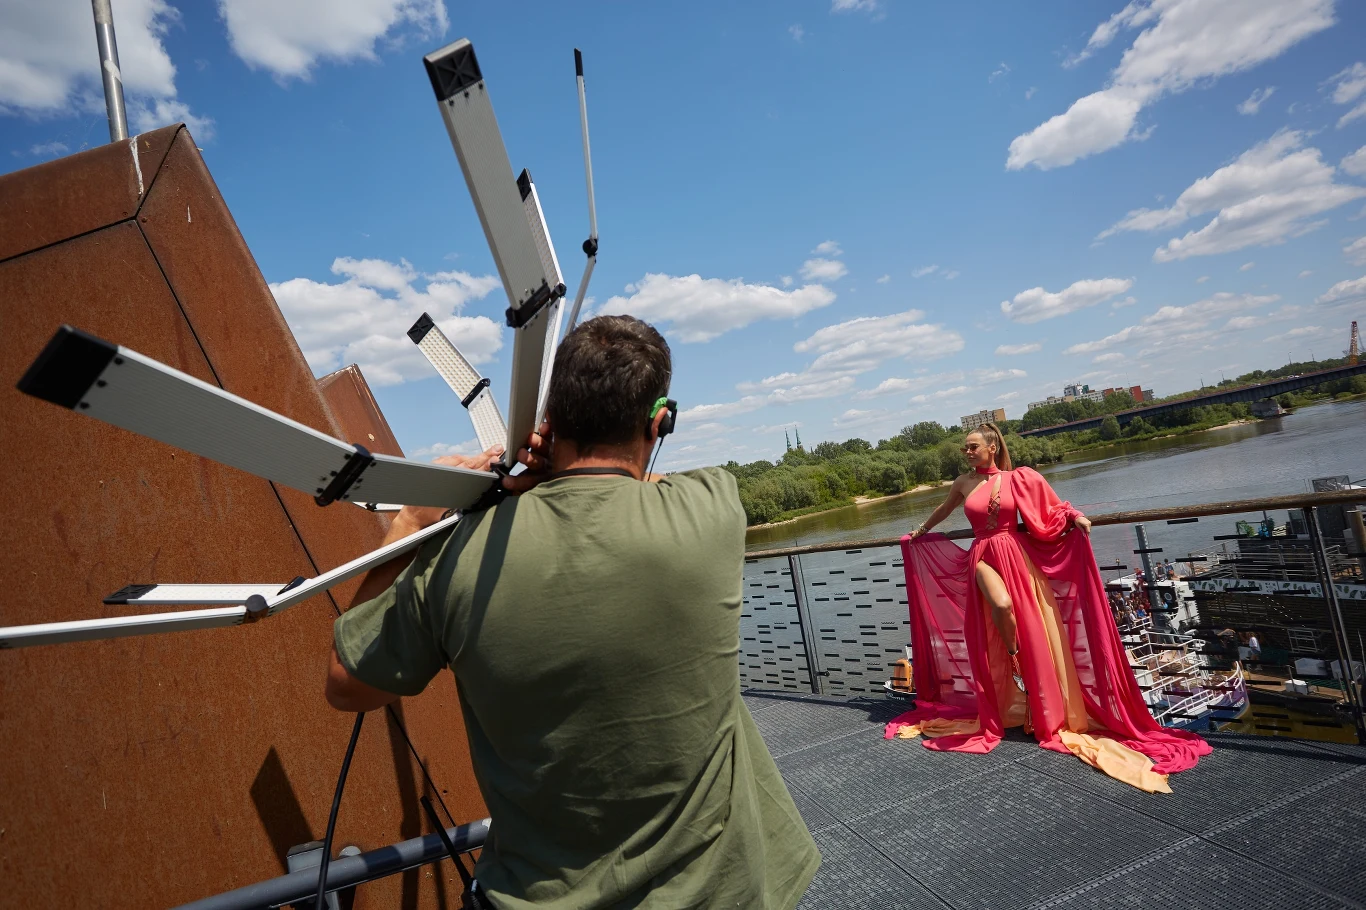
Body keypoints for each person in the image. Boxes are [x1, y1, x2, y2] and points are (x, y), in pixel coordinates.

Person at [324, 316, 819, 908]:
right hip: (723, 891)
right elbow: (634, 479)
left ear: (550, 421)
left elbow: (346, 685)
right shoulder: (713, 508)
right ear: (661, 419)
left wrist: (408, 528)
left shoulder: (455, 556)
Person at [886, 423, 1209, 793]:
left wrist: (1075, 517)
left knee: (1034, 624)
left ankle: (1035, 695)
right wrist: (919, 533)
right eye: (965, 448)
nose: (967, 453)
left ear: (992, 447)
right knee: (1002, 605)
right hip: (982, 555)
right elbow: (944, 510)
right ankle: (1014, 658)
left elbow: (1050, 507)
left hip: (1015, 554)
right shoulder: (962, 483)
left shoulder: (1019, 478)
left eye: (973, 447)